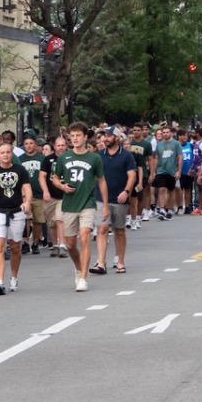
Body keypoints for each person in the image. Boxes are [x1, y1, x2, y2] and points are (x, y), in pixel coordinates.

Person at [51, 123, 107, 293]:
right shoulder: (64, 158)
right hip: (69, 204)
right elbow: (55, 178)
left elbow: (102, 180)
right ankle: (78, 267)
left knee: (84, 236)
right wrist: (62, 187)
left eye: (78, 135)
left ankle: (83, 278)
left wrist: (105, 205)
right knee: (70, 244)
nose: (75, 138)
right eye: (72, 136)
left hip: (88, 203)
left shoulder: (94, 158)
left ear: (84, 137)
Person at [0, 143, 32, 295]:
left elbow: (27, 189)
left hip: (16, 212)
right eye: (2, 153)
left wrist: (27, 202)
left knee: (15, 246)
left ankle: (14, 277)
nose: (5, 155)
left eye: (8, 152)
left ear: (11, 154)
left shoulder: (20, 169)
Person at [94, 128, 138, 276]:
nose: (105, 139)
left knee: (119, 230)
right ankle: (101, 262)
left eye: (109, 136)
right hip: (101, 199)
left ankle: (120, 261)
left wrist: (126, 191)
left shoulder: (126, 156)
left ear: (117, 137)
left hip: (120, 199)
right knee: (102, 228)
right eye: (104, 136)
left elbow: (132, 175)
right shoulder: (99, 156)